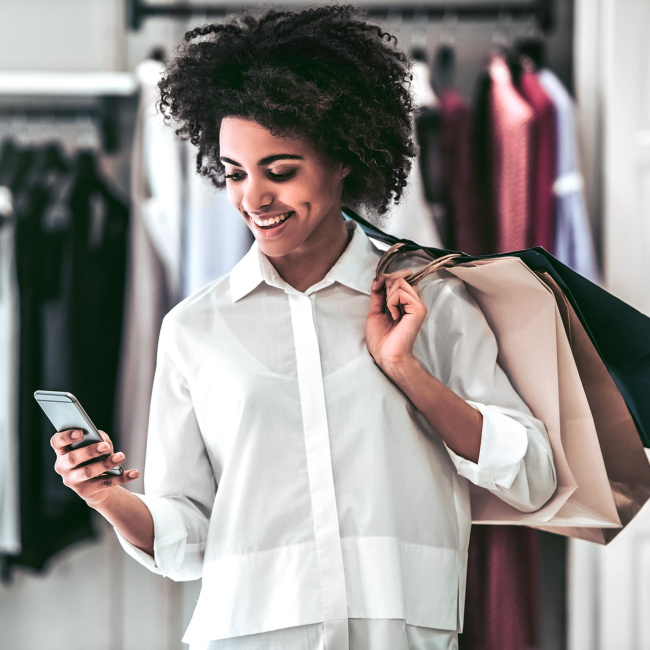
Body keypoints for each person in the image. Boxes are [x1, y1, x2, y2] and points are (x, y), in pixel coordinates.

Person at [50, 6, 557, 649]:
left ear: (344, 158)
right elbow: (189, 539)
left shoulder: (432, 298)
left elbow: (533, 474)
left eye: (280, 171)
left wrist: (406, 370)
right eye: (234, 174)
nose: (253, 199)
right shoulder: (194, 328)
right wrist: (104, 497)